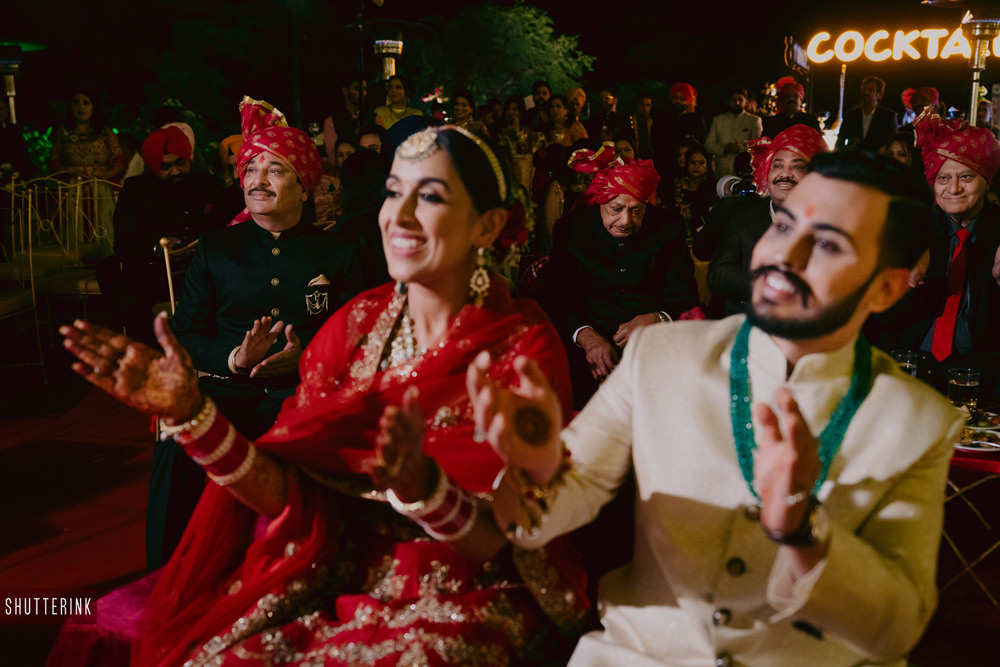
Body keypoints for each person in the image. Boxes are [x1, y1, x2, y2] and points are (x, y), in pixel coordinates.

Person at [54, 123, 588, 667]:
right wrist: (191, 414)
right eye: (393, 193)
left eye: (428, 197)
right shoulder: (355, 327)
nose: (399, 217)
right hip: (332, 571)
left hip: (465, 590)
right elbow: (293, 502)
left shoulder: (521, 345)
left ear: (488, 224)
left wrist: (428, 492)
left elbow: (518, 543)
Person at [473, 149, 964, 667]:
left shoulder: (915, 420)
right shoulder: (661, 357)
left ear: (886, 287)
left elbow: (894, 630)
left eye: (826, 243)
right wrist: (537, 467)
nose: (784, 254)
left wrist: (803, 533)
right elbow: (546, 512)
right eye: (784, 225)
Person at [540, 142, 701, 407]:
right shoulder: (572, 229)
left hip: (655, 340)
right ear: (600, 201)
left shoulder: (668, 227)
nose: (626, 221)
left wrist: (656, 319)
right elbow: (558, 297)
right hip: (589, 335)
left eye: (636, 210)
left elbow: (684, 295)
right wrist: (587, 337)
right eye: (616, 209)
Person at [871, 110, 1000, 402]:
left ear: (986, 180)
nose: (953, 188)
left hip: (981, 372)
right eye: (943, 178)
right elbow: (882, 319)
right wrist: (910, 284)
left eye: (966, 176)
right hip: (910, 364)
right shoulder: (912, 229)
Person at [107, 122, 224, 343]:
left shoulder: (208, 184)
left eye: (180, 163)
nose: (175, 172)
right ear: (153, 166)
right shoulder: (136, 190)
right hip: (153, 275)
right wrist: (156, 248)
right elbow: (123, 245)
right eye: (166, 167)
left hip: (204, 273)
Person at [706, 124, 828, 316]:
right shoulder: (742, 215)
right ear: (766, 172)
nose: (785, 174)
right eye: (777, 165)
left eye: (797, 166)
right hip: (744, 320)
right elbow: (718, 274)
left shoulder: (829, 223)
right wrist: (770, 287)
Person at [47, 92, 128, 256]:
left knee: (103, 227)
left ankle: (106, 260)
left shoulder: (104, 132)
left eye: (86, 102)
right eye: (76, 102)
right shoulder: (64, 132)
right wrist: (67, 170)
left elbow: (120, 159)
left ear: (93, 106)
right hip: (75, 187)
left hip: (101, 187)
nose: (81, 107)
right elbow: (53, 160)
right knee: (75, 225)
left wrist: (107, 174)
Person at [705, 87, 763, 178]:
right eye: (733, 100)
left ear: (746, 101)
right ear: (728, 102)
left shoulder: (754, 120)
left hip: (745, 172)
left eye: (740, 100)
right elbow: (708, 145)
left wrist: (740, 148)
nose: (737, 103)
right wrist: (725, 148)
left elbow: (758, 147)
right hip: (721, 172)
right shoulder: (718, 120)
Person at [835, 76, 899, 151]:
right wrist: (848, 147)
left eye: (870, 90)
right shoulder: (851, 116)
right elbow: (839, 144)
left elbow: (894, 144)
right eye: (863, 89)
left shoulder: (888, 117)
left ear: (879, 94)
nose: (866, 93)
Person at [322, 70, 367, 167]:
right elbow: (333, 158)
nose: (362, 93)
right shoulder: (332, 121)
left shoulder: (374, 117)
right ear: (345, 91)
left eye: (364, 89)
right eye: (357, 89)